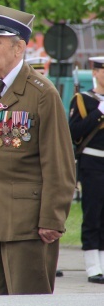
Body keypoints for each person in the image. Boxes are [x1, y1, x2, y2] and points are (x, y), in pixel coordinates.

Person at [0, 3, 75, 295]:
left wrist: (52, 219)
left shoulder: (42, 93)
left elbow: (59, 163)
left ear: (19, 48)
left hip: (28, 224)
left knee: (29, 299)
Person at [69, 56, 104, 284]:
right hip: (92, 163)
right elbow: (74, 132)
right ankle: (93, 265)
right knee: (93, 213)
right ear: (95, 72)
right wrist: (100, 110)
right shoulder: (83, 100)